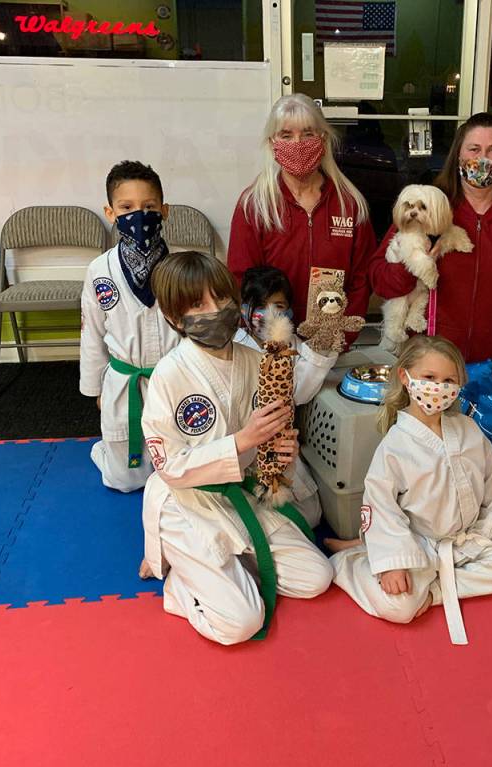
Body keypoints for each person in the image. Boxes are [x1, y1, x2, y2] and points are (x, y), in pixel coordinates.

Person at [139, 251, 333, 646]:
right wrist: (244, 439)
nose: (216, 311)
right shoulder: (169, 375)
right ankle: (182, 588)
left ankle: (223, 571)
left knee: (317, 578)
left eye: (222, 299)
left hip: (241, 494)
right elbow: (171, 468)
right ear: (175, 318)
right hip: (188, 503)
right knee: (240, 623)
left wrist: (280, 453)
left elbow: (268, 443)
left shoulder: (256, 360)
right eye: (198, 304)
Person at [329, 335, 492, 644]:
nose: (438, 387)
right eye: (429, 378)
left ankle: (436, 591)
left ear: (458, 386)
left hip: (467, 539)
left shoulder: (468, 430)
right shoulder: (395, 447)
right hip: (419, 545)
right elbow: (383, 509)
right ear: (405, 377)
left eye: (448, 380)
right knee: (399, 608)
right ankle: (353, 563)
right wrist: (393, 564)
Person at [368, 112, 492, 364]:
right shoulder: (428, 205)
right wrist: (411, 266)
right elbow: (379, 280)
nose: (483, 159)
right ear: (459, 155)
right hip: (428, 361)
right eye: (474, 149)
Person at [228, 93, 375, 328]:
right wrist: (263, 335)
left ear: (323, 140)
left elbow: (362, 278)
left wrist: (343, 335)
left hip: (331, 339)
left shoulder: (349, 204)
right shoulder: (254, 205)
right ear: (272, 143)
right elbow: (241, 279)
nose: (297, 144)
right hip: (271, 341)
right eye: (286, 135)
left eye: (307, 134)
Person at [80, 160, 179, 492]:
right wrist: (95, 389)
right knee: (124, 481)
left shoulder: (180, 267)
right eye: (127, 207)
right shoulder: (99, 270)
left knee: (178, 474)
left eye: (149, 206)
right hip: (125, 382)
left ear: (164, 210)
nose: (139, 215)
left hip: (173, 380)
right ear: (111, 213)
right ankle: (108, 452)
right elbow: (92, 333)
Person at [233, 265, 338, 527]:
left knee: (311, 515)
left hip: (282, 442)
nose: (270, 314)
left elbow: (298, 394)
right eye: (260, 305)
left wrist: (321, 347)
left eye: (278, 306)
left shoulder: (293, 346)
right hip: (244, 442)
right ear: (244, 308)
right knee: (245, 510)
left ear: (290, 309)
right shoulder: (233, 345)